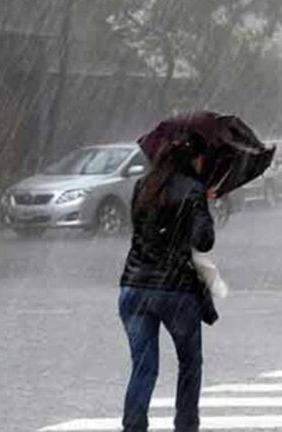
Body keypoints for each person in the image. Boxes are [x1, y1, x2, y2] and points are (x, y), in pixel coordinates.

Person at [118, 132, 215, 432]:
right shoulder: (193, 190)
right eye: (202, 159)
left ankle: (133, 426)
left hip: (134, 286)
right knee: (190, 363)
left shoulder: (143, 186)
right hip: (175, 290)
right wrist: (202, 205)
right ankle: (186, 425)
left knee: (143, 367)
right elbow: (204, 240)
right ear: (194, 159)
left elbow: (142, 231)